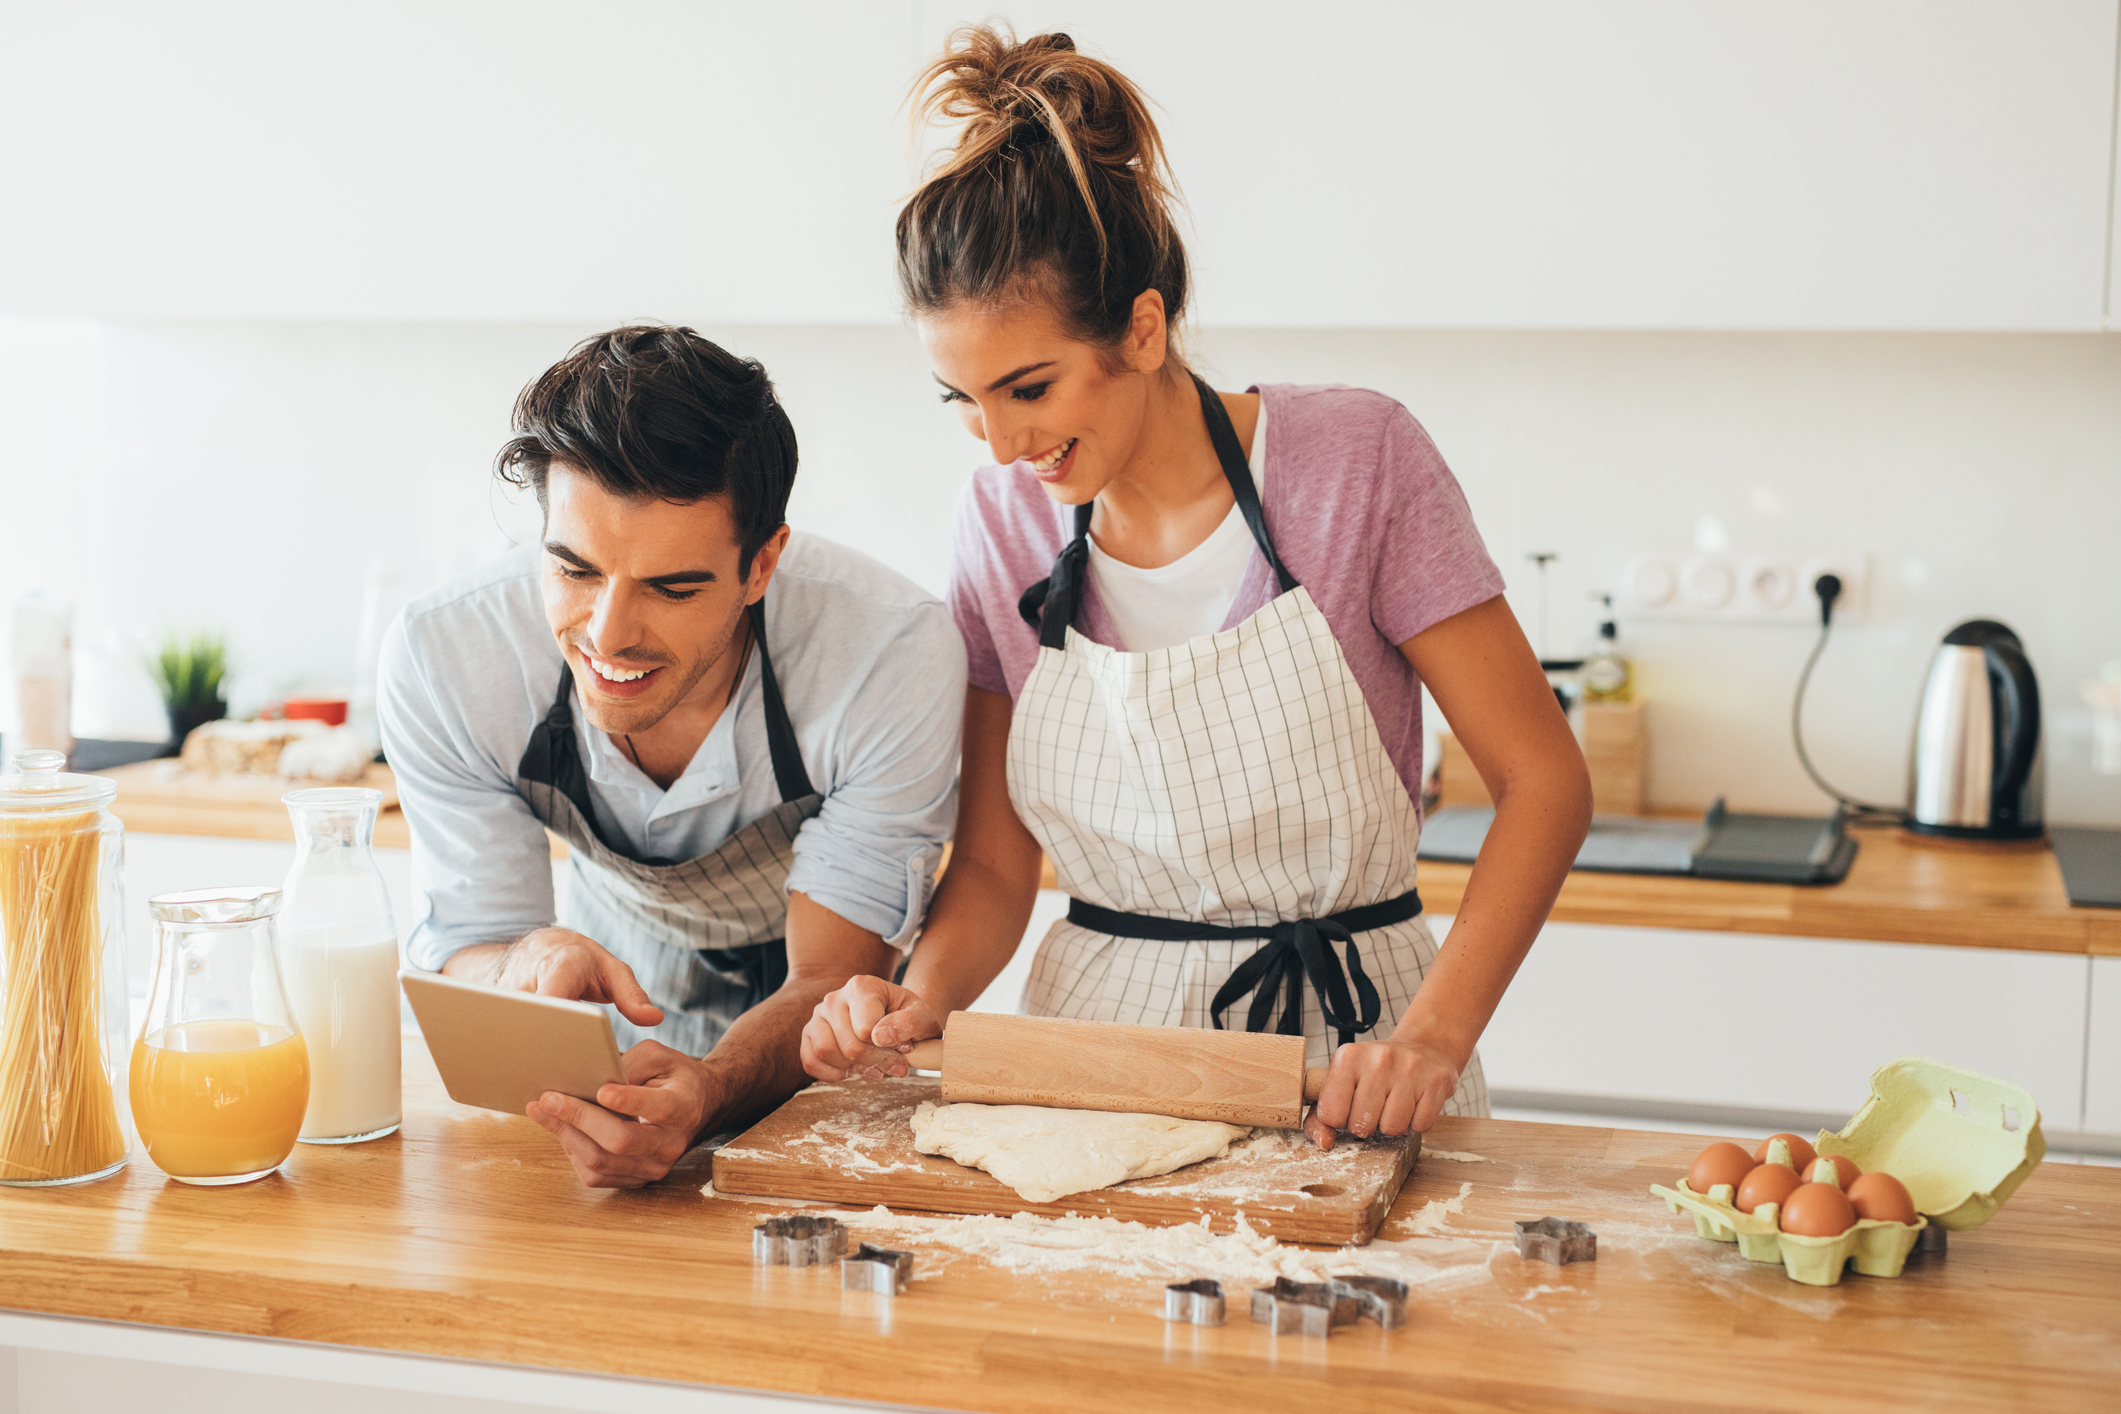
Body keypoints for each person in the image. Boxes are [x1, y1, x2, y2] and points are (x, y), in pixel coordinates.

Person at [801, 29, 1592, 1148]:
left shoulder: (1354, 461)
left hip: (1359, 1061)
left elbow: (1543, 779)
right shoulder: (1004, 520)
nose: (999, 443)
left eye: (1029, 387)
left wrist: (1431, 1039)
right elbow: (989, 860)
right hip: (1097, 1063)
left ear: (1144, 323)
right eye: (963, 401)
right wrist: (921, 995)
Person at [380, 325, 965, 1186]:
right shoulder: (448, 656)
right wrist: (522, 963)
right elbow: (477, 936)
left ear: (762, 563)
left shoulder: (887, 651)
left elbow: (833, 974)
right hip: (616, 973)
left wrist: (716, 1087)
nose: (608, 634)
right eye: (574, 571)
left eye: (673, 587)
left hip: (827, 1025)